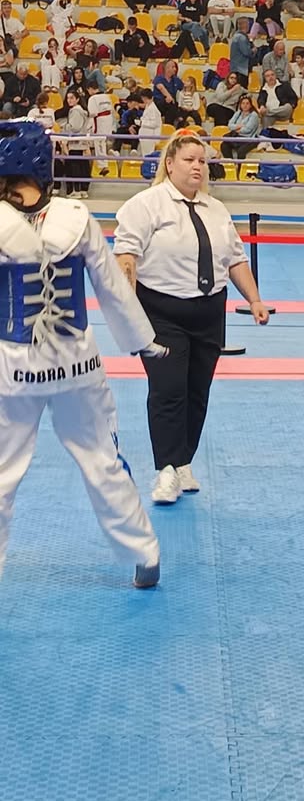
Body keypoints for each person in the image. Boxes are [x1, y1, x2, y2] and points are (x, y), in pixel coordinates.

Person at [0, 119, 166, 587]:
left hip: (15, 368)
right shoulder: (77, 217)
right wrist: (142, 340)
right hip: (79, 364)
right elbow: (112, 287)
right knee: (102, 459)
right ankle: (144, 553)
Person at [113, 130, 271, 504]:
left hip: (209, 311)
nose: (197, 166)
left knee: (197, 391)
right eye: (189, 159)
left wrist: (254, 299)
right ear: (169, 164)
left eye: (202, 161)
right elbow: (126, 257)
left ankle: (183, 461)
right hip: (161, 311)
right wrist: (127, 309)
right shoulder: (146, 205)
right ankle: (166, 470)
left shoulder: (216, 210)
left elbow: (235, 260)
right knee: (168, 389)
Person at [220, 94, 260, 161]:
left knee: (241, 151)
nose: (245, 105)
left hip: (249, 139)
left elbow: (247, 130)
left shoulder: (254, 115)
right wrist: (239, 126)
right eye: (243, 103)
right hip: (237, 137)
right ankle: (231, 164)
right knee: (224, 145)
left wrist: (236, 129)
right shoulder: (238, 113)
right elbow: (230, 125)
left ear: (250, 105)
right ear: (240, 105)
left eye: (247, 103)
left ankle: (240, 166)